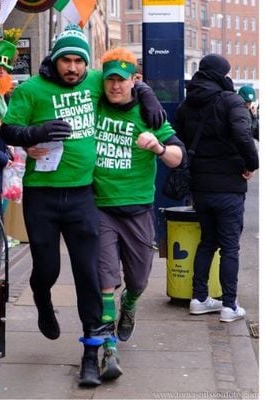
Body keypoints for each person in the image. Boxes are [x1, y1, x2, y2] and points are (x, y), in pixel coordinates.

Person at [0, 24, 166, 387]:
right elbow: (8, 130)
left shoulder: (93, 82)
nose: (73, 68)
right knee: (47, 268)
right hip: (42, 195)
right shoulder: (31, 90)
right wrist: (35, 133)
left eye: (78, 61)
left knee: (88, 276)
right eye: (66, 61)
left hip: (82, 196)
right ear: (54, 61)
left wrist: (147, 94)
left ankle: (91, 354)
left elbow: (122, 79)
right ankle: (42, 297)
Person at [92, 48, 184, 380]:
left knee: (140, 280)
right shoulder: (96, 104)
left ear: (134, 80)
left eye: (122, 79)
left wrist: (158, 147)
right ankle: (109, 349)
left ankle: (129, 305)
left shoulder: (149, 115)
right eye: (110, 79)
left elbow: (178, 156)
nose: (115, 86)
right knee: (104, 281)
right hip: (100, 208)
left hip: (138, 211)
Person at [173, 54, 259, 323]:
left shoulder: (187, 104)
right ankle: (229, 305)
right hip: (229, 185)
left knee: (208, 241)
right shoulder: (230, 100)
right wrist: (251, 164)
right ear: (222, 74)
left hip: (200, 185)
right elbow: (243, 135)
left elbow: (178, 138)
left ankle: (199, 298)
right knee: (230, 246)